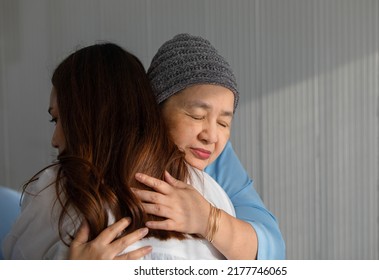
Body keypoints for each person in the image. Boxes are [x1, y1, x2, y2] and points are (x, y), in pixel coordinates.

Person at [2, 43, 235, 260]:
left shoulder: (57, 188)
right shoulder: (210, 192)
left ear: (89, 118)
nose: (55, 140)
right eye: (197, 116)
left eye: (59, 120)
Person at [70, 34, 285, 260]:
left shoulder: (218, 159)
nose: (211, 136)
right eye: (196, 116)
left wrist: (209, 220)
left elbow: (272, 251)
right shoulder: (106, 156)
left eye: (224, 122)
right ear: (155, 110)